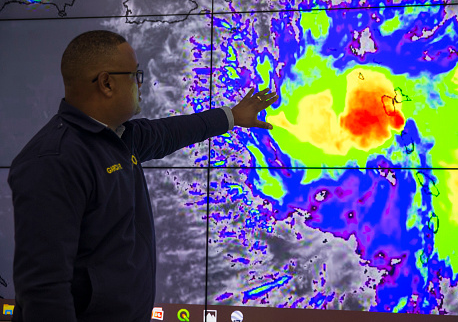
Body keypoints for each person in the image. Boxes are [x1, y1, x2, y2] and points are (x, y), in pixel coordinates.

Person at [7, 30, 277, 322]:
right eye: (135, 75)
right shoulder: (54, 161)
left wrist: (233, 116)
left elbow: (171, 132)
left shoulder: (119, 138)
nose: (139, 84)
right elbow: (44, 292)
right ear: (107, 83)